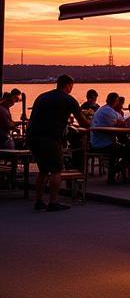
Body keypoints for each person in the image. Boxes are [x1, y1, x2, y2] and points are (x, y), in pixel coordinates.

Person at [25, 74, 85, 212]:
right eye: (71, 86)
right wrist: (92, 123)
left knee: (43, 170)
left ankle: (39, 201)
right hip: (50, 138)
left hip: (33, 137)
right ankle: (53, 202)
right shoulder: (69, 99)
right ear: (68, 85)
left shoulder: (42, 97)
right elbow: (82, 121)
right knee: (56, 170)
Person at [90, 91, 129, 185]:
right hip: (102, 144)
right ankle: (115, 171)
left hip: (98, 141)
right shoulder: (108, 111)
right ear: (115, 101)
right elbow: (119, 123)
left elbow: (121, 120)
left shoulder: (104, 109)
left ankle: (113, 174)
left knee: (123, 149)